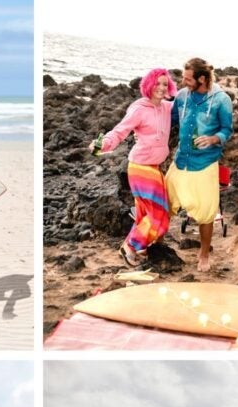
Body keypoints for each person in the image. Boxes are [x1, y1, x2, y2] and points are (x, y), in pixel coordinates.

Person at [93, 68, 176, 266]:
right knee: (159, 217)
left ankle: (138, 247)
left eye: (165, 84)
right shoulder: (139, 109)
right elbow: (120, 131)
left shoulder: (167, 107)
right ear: (149, 85)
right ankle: (130, 245)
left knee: (145, 214)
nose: (161, 87)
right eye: (157, 83)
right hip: (140, 167)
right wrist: (103, 144)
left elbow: (187, 100)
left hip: (155, 167)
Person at [166, 58, 234, 272]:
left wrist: (213, 139)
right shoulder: (181, 96)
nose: (183, 82)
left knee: (206, 212)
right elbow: (170, 121)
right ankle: (156, 243)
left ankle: (204, 254)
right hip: (180, 159)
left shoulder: (221, 99)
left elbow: (227, 129)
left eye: (188, 79)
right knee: (164, 203)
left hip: (205, 163)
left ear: (202, 79)